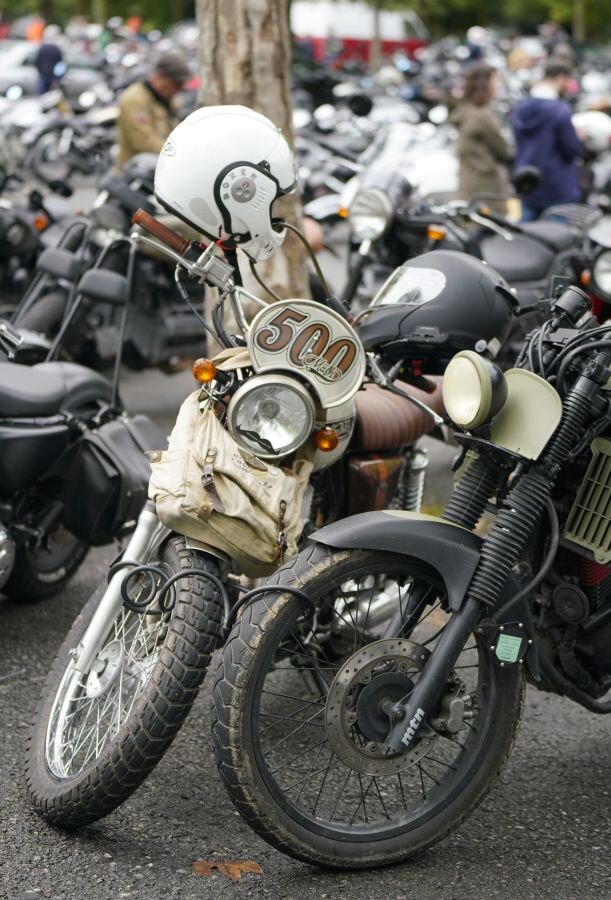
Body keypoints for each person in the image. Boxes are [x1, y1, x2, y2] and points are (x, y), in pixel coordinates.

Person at [511, 59, 583, 220]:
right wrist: (580, 137)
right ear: (561, 78)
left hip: (527, 179)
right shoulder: (560, 110)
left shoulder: (520, 108)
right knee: (556, 237)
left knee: (526, 237)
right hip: (556, 183)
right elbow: (572, 149)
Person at [450, 63, 511, 214]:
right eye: (495, 81)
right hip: (486, 184)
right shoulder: (482, 116)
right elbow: (502, 150)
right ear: (485, 85)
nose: (498, 85)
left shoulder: (465, 109)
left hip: (469, 178)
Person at [117, 52, 191, 167]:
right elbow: (144, 142)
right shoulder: (134, 99)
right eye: (176, 84)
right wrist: (181, 154)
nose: (178, 90)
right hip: (135, 173)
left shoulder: (166, 99)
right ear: (160, 77)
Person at [34, 25, 63, 95]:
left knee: (42, 93)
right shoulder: (56, 49)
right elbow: (60, 63)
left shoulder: (43, 48)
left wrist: (40, 71)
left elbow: (37, 61)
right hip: (52, 75)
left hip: (44, 74)